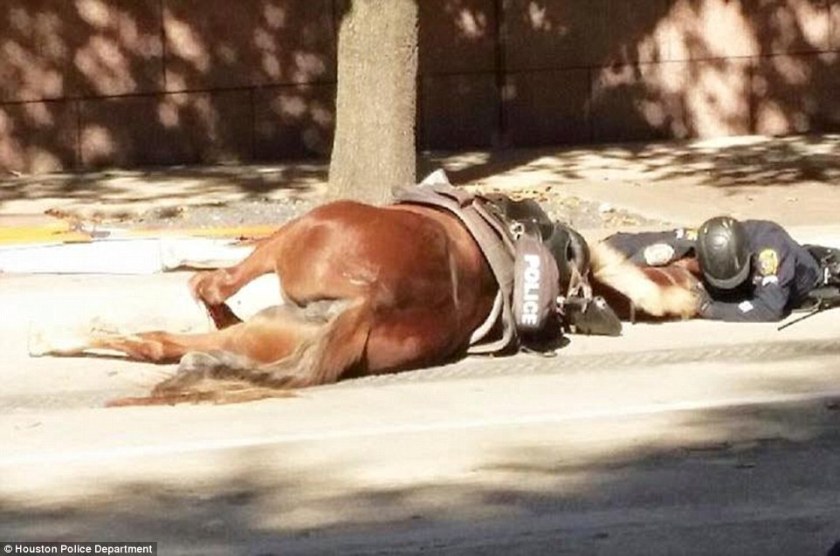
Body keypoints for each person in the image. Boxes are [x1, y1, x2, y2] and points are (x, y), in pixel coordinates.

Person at [604, 216, 840, 322]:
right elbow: (647, 239)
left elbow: (770, 308)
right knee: (663, 250)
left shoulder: (772, 255)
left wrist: (708, 308)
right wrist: (617, 254)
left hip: (813, 274)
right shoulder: (709, 236)